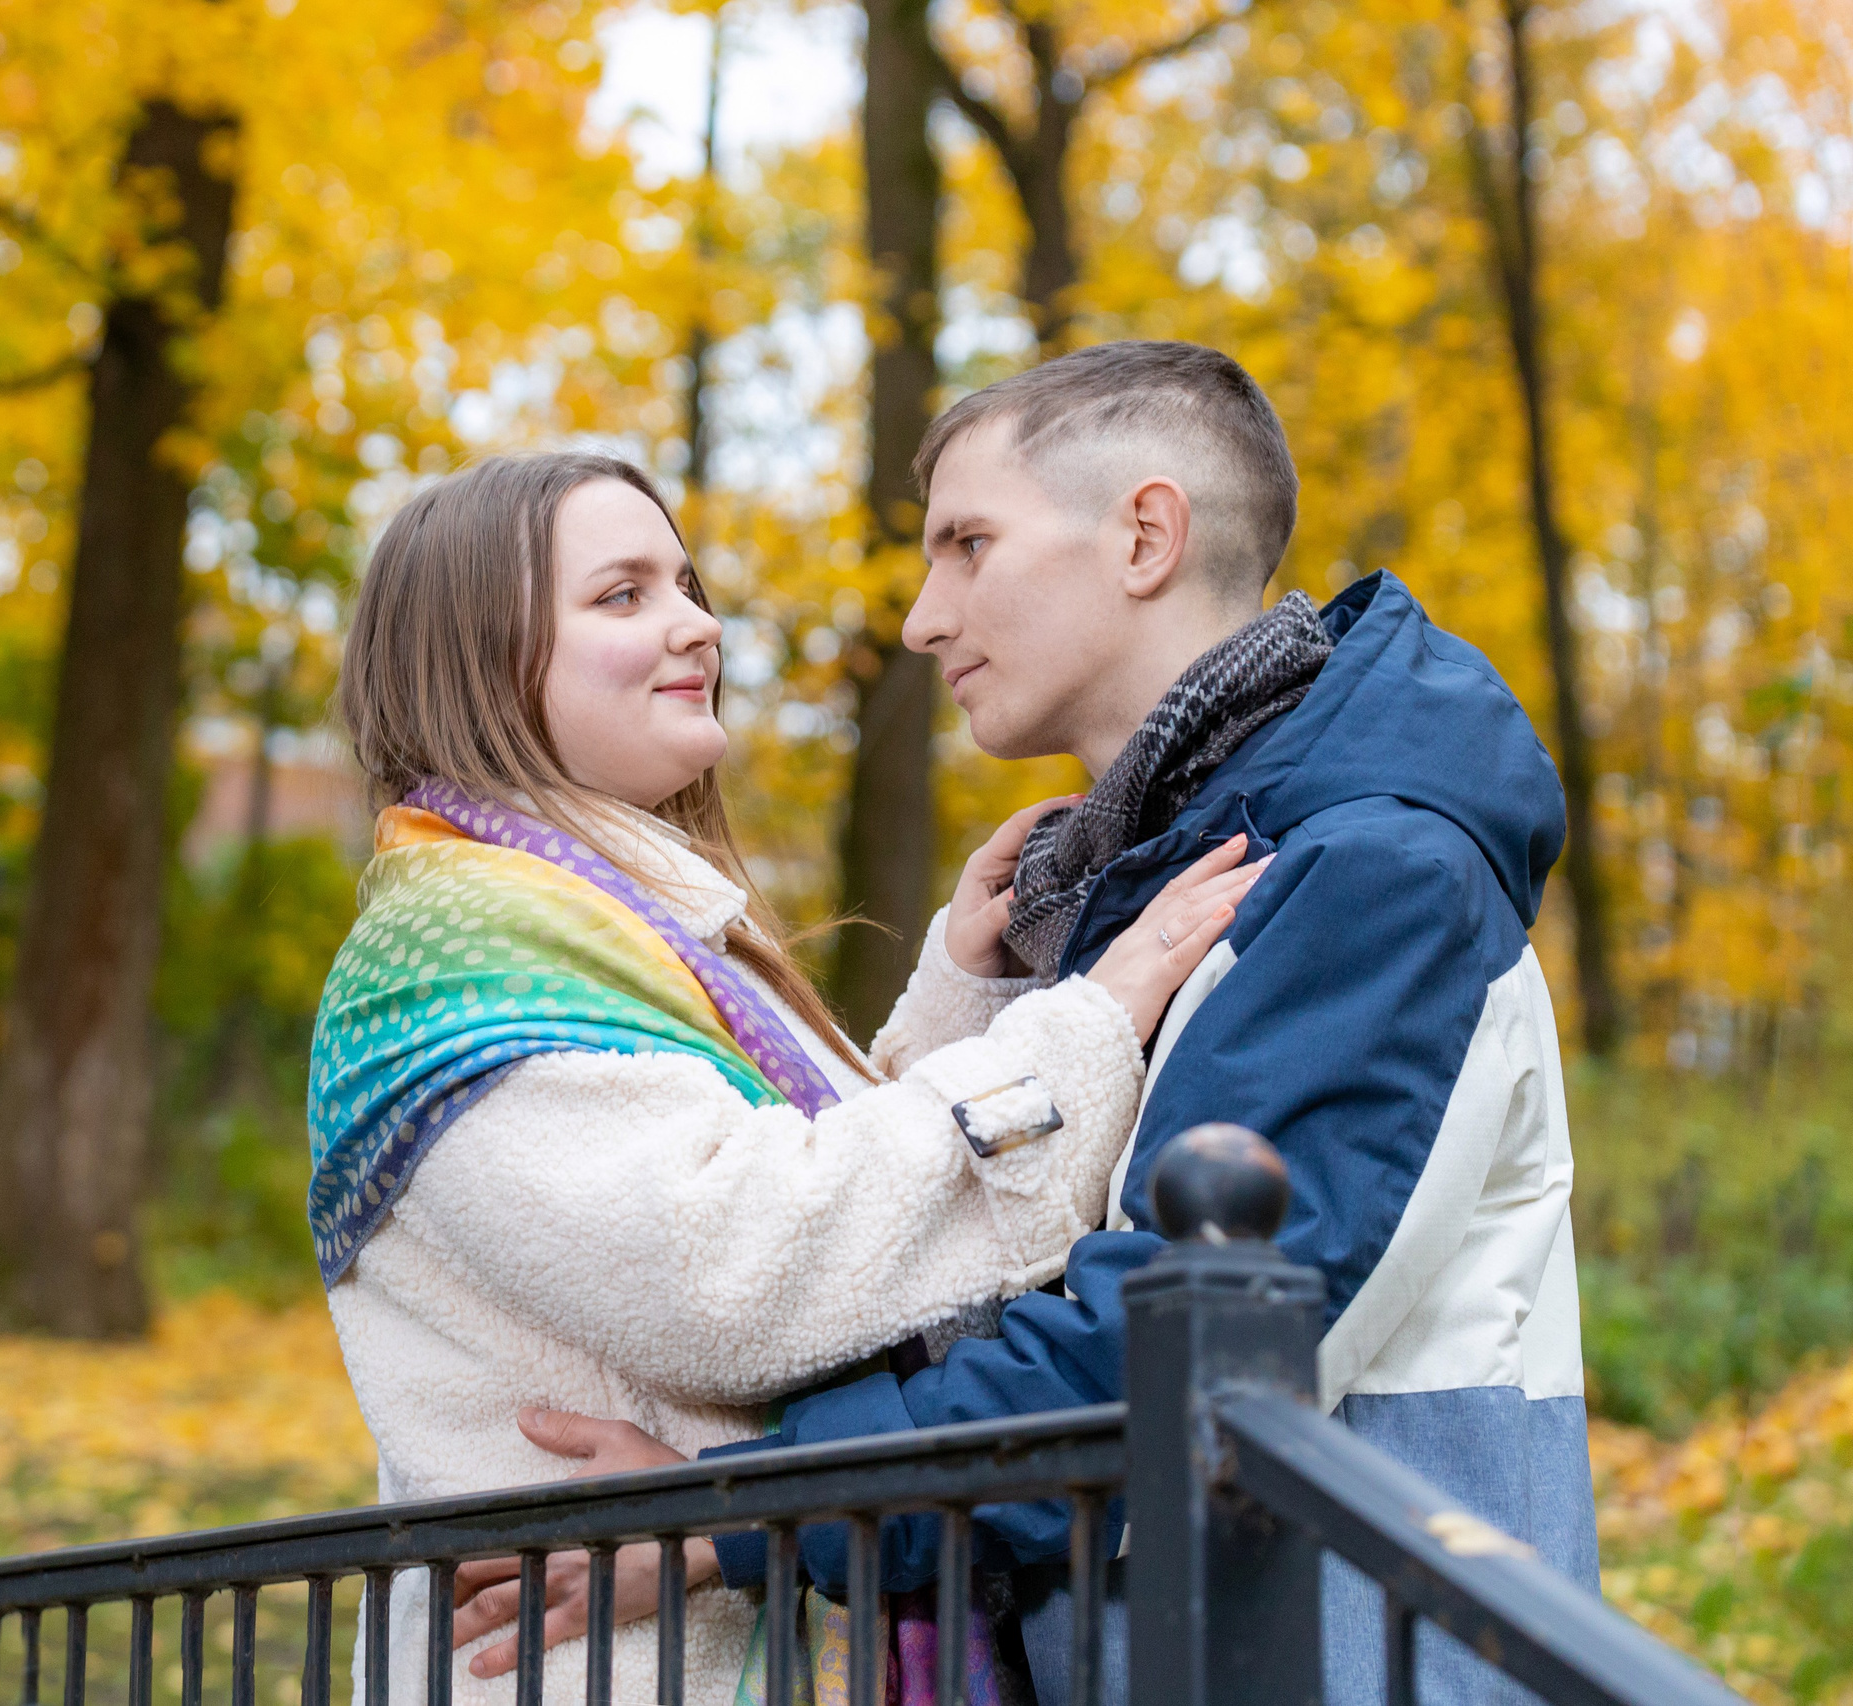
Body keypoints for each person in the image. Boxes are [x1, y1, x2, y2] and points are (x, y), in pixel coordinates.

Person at [483, 343, 1594, 1706]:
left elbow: (1178, 1347)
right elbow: (920, 1234)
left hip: (1354, 1649)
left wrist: (747, 1512)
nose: (922, 619)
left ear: (1144, 534)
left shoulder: (1372, 876)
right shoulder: (1132, 887)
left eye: (967, 545)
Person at [309, 449, 1262, 1704]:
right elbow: (741, 1261)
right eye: (622, 595)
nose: (696, 623)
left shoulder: (597, 924)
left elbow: (780, 1162)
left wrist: (962, 991)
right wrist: (1084, 1022)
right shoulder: (454, 971)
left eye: (687, 585)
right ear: (482, 659)